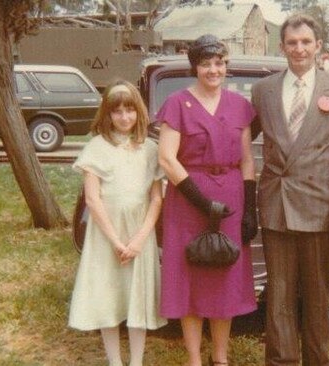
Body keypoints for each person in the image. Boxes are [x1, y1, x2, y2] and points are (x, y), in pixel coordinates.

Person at [250, 14, 329, 366]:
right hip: (276, 205)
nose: (299, 49)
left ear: (318, 46)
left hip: (320, 207)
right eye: (292, 43)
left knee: (318, 296)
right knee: (280, 296)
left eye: (306, 42)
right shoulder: (263, 91)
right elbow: (239, 138)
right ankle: (281, 361)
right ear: (282, 47)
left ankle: (318, 360)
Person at [157, 34, 257, 366]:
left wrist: (250, 209)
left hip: (230, 197)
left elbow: (246, 159)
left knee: (223, 277)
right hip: (188, 199)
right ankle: (194, 359)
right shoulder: (177, 103)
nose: (213, 70)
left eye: (219, 63)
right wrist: (201, 203)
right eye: (205, 63)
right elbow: (167, 160)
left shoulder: (240, 106)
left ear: (226, 66)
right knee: (189, 276)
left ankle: (221, 357)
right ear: (195, 67)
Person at [68, 80, 167, 366]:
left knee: (138, 296)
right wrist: (116, 241)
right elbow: (92, 199)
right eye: (117, 112)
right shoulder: (97, 147)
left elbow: (156, 199)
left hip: (139, 234)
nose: (124, 117)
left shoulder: (149, 148)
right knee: (108, 294)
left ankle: (136, 361)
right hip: (107, 235)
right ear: (107, 115)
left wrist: (137, 240)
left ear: (139, 112)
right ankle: (115, 360)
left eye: (130, 110)